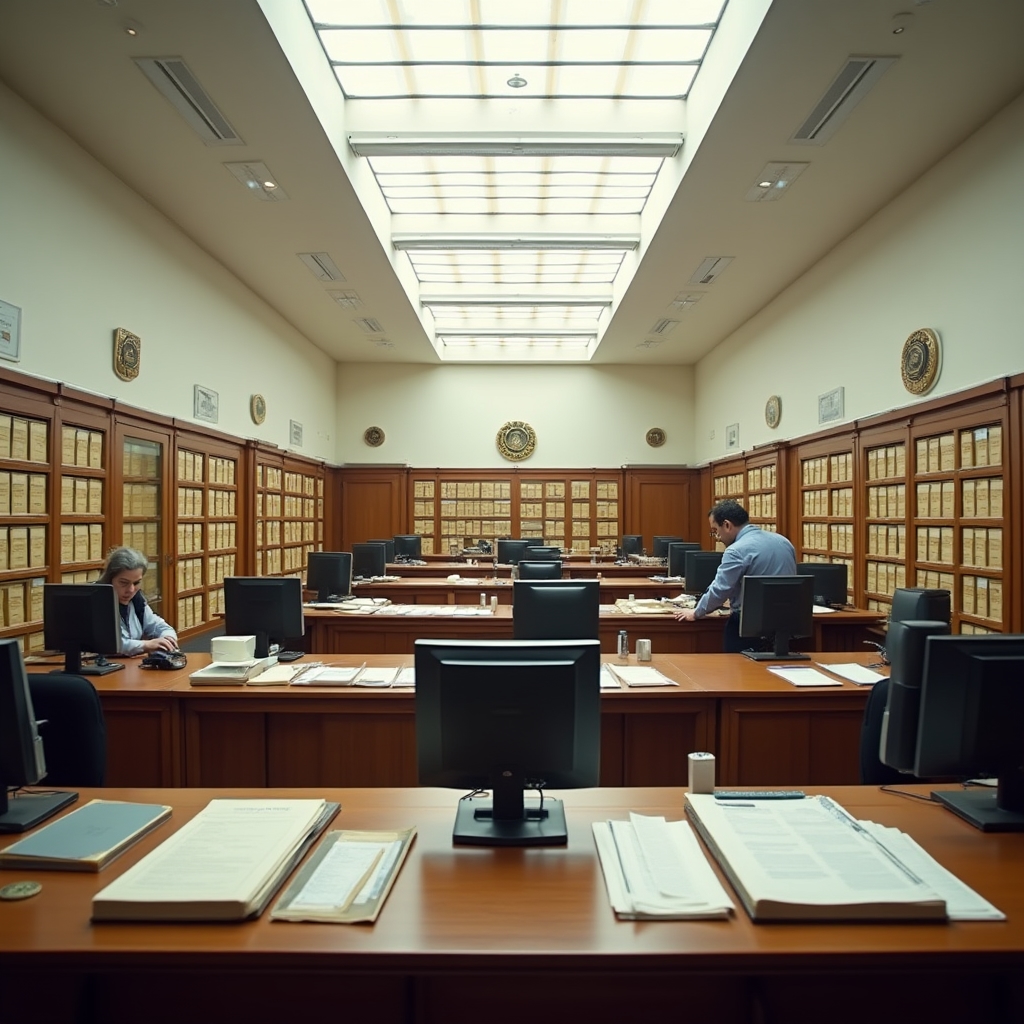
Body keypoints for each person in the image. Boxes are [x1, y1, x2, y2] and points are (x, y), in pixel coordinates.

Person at [673, 499, 796, 653]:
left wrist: (696, 612)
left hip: (748, 629)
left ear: (727, 525)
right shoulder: (784, 542)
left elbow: (720, 590)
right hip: (786, 627)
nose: (717, 536)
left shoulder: (736, 550)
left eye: (715, 530)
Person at [98, 546, 178, 656]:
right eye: (124, 583)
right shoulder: (96, 602)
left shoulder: (136, 600)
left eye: (136, 583)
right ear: (109, 579)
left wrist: (168, 639)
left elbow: (160, 626)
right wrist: (146, 645)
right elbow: (109, 644)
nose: (131, 590)